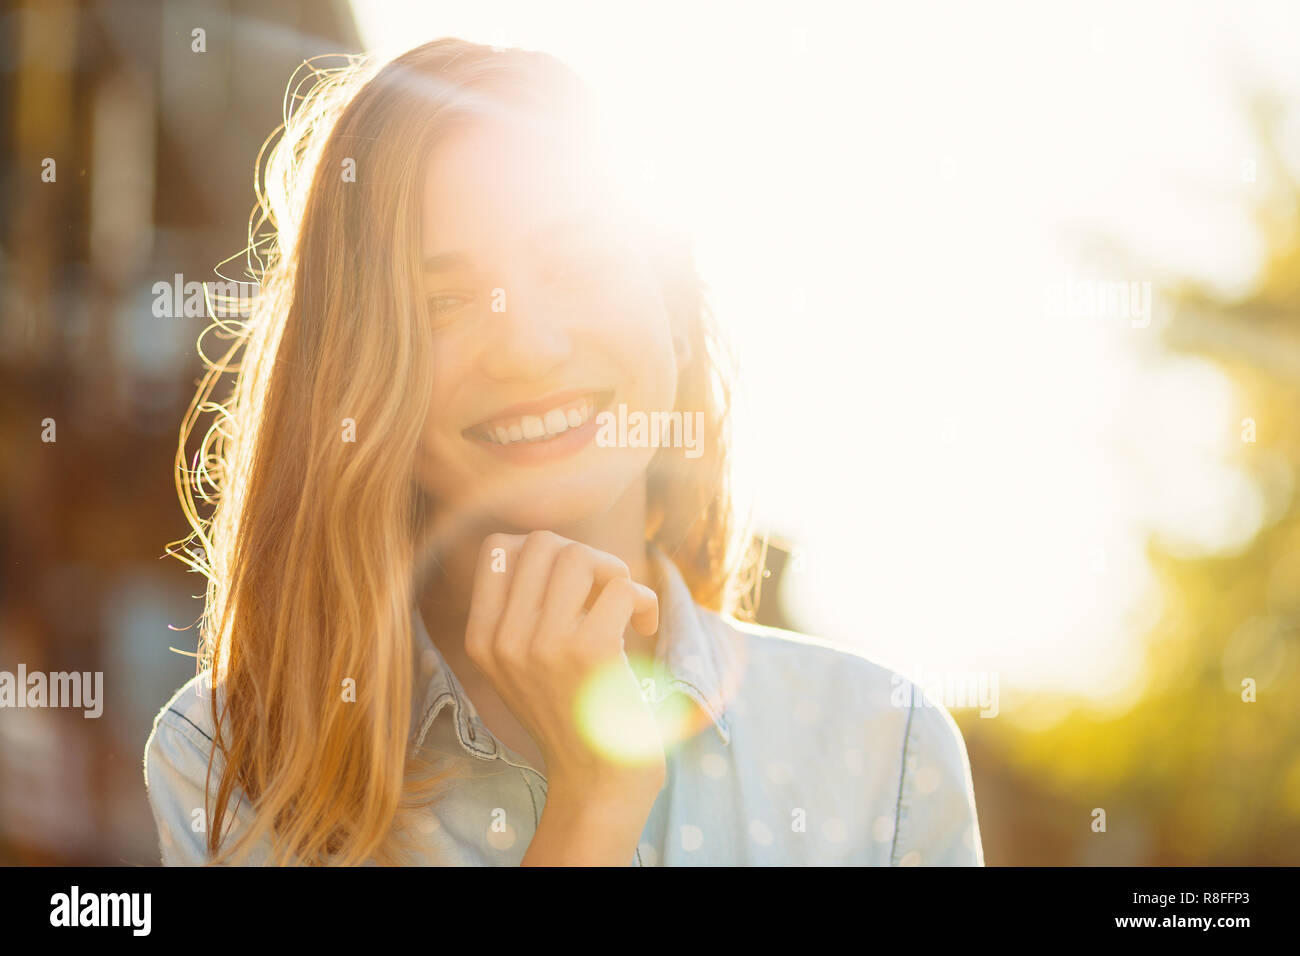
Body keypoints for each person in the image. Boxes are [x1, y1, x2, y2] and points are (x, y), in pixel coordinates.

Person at [143, 36, 984, 866]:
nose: (530, 349)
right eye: (442, 302)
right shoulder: (231, 761)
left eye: (577, 265)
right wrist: (592, 804)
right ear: (355, 377)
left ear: (673, 318)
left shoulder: (888, 754)